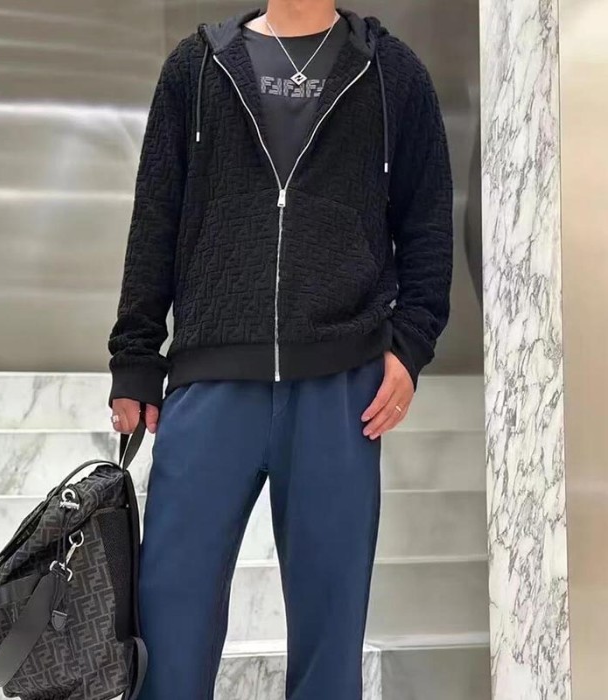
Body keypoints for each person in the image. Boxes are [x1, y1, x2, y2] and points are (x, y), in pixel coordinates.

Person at [107, 2, 453, 698]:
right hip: (211, 378)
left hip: (341, 384)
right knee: (169, 634)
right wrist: (136, 355)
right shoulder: (196, 67)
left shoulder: (393, 73)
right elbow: (156, 214)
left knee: (330, 640)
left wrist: (410, 344)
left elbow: (427, 221)